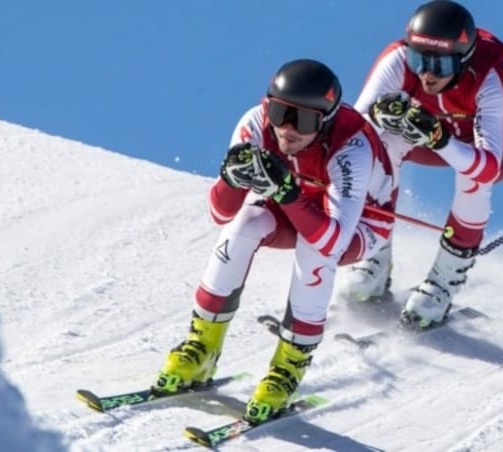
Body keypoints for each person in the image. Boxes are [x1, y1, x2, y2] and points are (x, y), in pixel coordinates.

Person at [151, 59, 395, 424]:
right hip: (296, 205)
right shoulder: (256, 123)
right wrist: (230, 181)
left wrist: (287, 193)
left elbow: (332, 241)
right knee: (245, 223)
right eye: (281, 112)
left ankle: (288, 369)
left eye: (305, 120)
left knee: (315, 252)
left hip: (360, 224)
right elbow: (220, 214)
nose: (288, 129)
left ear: (325, 121)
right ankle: (201, 347)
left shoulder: (352, 147)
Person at [337, 0, 503, 328]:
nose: (427, 74)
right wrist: (377, 117)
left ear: (463, 59)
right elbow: (349, 137)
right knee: (380, 144)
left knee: (473, 177)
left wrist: (440, 139)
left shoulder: (494, 71)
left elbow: (488, 165)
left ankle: (443, 281)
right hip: (431, 130)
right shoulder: (397, 59)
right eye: (419, 61)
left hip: (501, 140)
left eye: (440, 66)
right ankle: (375, 255)